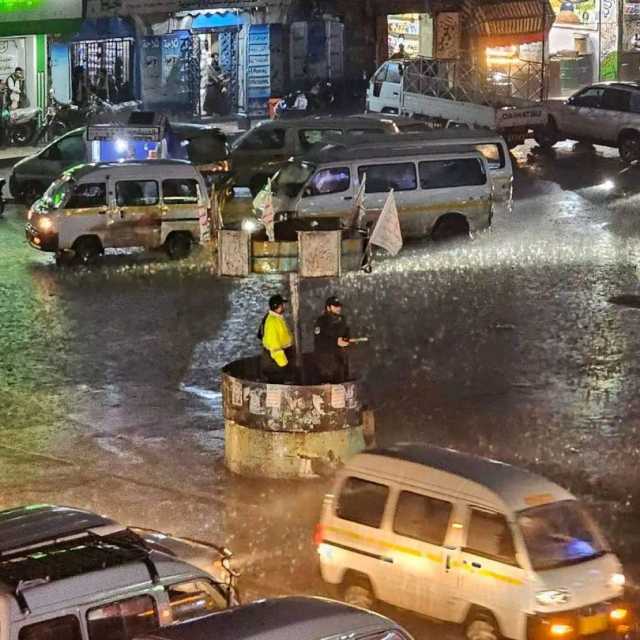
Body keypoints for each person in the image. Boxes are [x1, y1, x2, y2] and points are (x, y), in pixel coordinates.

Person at [313, 296, 351, 383]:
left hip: (340, 357)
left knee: (342, 382)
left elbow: (346, 332)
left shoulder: (342, 319)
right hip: (326, 360)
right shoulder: (321, 321)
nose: (338, 308)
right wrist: (335, 342)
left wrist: (346, 339)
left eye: (339, 306)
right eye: (335, 306)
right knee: (328, 385)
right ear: (328, 307)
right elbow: (319, 340)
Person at [258, 294, 294, 383]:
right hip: (275, 362)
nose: (284, 306)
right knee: (278, 385)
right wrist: (284, 364)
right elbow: (274, 346)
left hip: (279, 359)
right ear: (277, 306)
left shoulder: (277, 319)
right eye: (282, 304)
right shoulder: (272, 322)